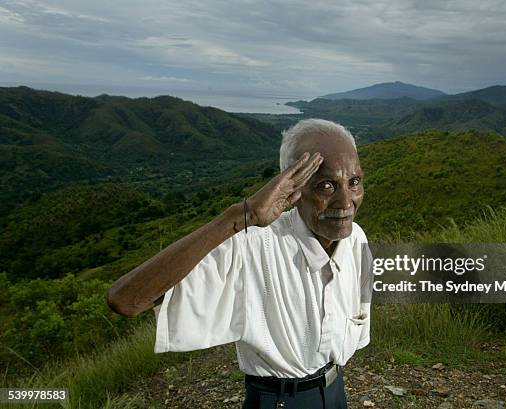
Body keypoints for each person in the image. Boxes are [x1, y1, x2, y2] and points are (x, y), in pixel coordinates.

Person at [107, 118, 373, 409]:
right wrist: (241, 216)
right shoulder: (254, 244)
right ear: (292, 188)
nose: (346, 201)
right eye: (326, 185)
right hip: (281, 400)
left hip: (335, 391)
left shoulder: (356, 239)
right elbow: (126, 300)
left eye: (354, 182)